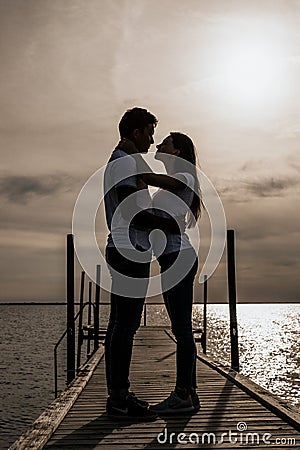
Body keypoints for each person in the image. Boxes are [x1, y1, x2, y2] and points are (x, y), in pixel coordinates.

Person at [104, 107, 180, 420]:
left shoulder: (124, 162)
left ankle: (118, 396)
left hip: (123, 250)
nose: (151, 141)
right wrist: (168, 224)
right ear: (136, 132)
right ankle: (119, 400)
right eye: (149, 133)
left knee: (119, 325)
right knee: (126, 325)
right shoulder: (123, 163)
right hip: (127, 251)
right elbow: (130, 211)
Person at [120, 132, 202, 414]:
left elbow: (159, 180)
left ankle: (183, 395)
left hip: (178, 257)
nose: (158, 145)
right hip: (170, 259)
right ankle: (189, 393)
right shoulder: (165, 187)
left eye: (165, 143)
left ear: (177, 152)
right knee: (182, 329)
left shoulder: (185, 177)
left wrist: (133, 156)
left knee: (182, 329)